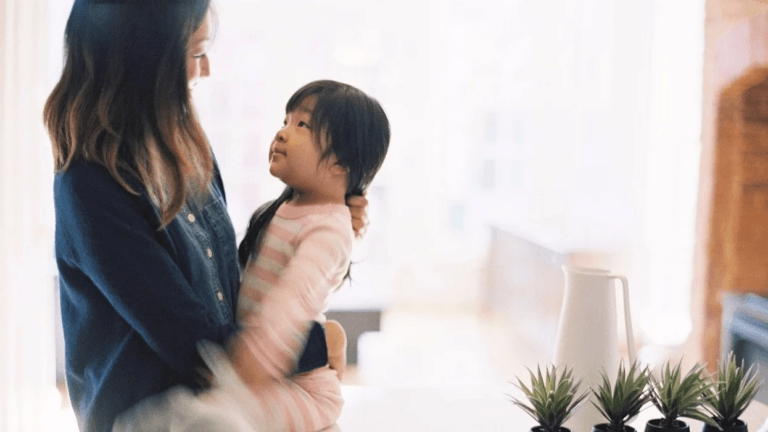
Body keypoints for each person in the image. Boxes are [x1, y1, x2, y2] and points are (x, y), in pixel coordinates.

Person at [43, 2, 363, 431]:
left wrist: (327, 215)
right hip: (154, 415)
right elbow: (196, 349)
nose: (205, 69)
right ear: (146, 64)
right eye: (195, 54)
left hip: (222, 395)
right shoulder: (90, 187)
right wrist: (321, 344)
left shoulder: (189, 150)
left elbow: (230, 289)